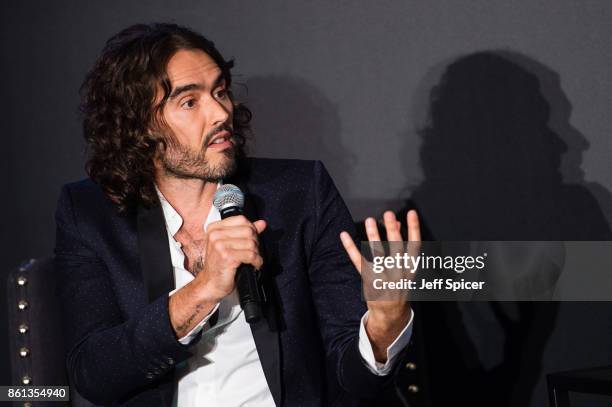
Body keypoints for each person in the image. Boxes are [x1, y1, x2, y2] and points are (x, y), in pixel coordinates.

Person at [54, 23, 419, 406]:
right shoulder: (90, 213)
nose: (220, 113)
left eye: (220, 91)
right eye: (189, 102)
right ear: (139, 126)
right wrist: (204, 290)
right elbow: (93, 374)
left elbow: (351, 375)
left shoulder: (299, 193)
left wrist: (383, 330)